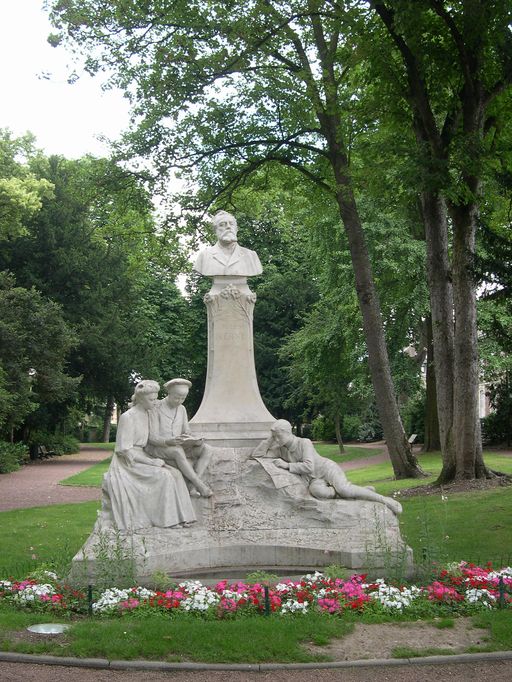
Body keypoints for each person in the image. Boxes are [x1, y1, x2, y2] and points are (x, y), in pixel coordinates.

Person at [102, 380, 197, 531]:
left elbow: (152, 439)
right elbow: (124, 451)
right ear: (140, 398)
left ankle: (184, 517)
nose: (155, 402)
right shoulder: (128, 417)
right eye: (151, 399)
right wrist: (151, 462)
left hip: (144, 457)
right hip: (128, 463)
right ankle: (168, 521)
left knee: (177, 474)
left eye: (155, 399)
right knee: (164, 476)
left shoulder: (147, 415)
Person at [253, 419, 402, 515]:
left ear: (287, 433)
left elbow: (309, 467)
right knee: (317, 491)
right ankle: (357, 491)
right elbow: (257, 455)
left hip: (326, 469)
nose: (276, 440)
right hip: (315, 480)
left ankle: (385, 500)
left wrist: (287, 465)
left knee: (344, 489)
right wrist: (269, 439)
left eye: (278, 436)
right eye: (275, 437)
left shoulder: (304, 442)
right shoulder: (281, 448)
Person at [146, 378, 213, 498]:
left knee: (207, 449)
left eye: (183, 398)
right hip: (159, 447)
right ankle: (199, 485)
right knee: (177, 451)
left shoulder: (182, 409)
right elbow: (152, 437)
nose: (179, 401)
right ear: (169, 393)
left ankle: (191, 486)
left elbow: (186, 430)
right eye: (177, 397)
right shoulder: (156, 408)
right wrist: (167, 441)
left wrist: (192, 439)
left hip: (179, 445)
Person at [193, 211, 262, 277]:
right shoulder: (204, 256)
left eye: (231, 224)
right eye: (222, 224)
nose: (228, 227)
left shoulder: (251, 256)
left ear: (236, 229)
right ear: (215, 231)